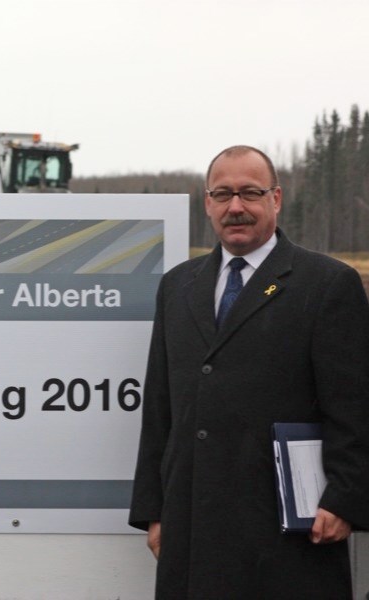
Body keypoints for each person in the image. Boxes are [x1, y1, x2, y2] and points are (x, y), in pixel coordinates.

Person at [128, 145, 369, 598]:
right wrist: (154, 512)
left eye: (249, 193)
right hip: (193, 529)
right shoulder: (178, 286)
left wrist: (344, 500)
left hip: (288, 536)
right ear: (208, 203)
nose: (235, 207)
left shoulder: (327, 284)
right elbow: (160, 408)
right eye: (222, 194)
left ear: (275, 199)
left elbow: (355, 406)